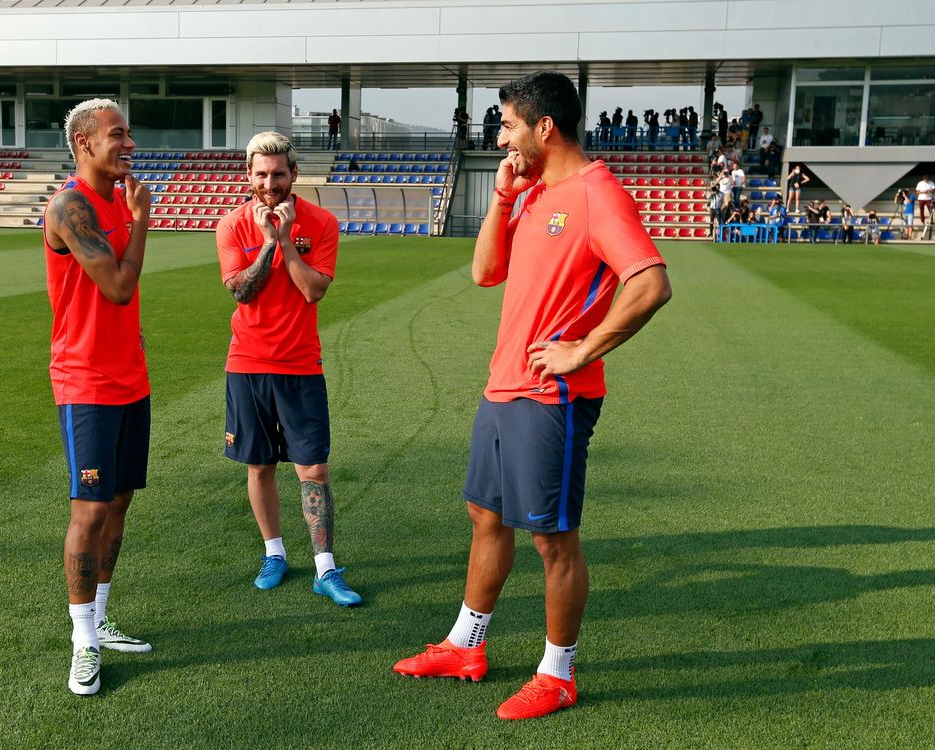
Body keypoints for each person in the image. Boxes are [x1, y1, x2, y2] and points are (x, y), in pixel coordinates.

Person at [392, 71, 671, 721]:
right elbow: (485, 271)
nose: (501, 136)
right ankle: (467, 645)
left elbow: (650, 282)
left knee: (553, 540)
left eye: (509, 124)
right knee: (485, 515)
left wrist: (580, 350)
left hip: (553, 398)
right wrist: (500, 198)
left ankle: (559, 672)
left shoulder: (597, 194)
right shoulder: (532, 192)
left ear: (545, 127)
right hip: (502, 387)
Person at [215, 131, 361, 609]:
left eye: (279, 174)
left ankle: (325, 568)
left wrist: (286, 244)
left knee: (313, 468)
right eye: (261, 174)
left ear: (294, 174)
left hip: (300, 363)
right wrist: (265, 244)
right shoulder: (233, 224)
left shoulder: (320, 222)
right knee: (259, 466)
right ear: (249, 176)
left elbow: (313, 291)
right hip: (248, 363)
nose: (270, 182)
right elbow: (241, 291)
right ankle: (274, 553)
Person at [42, 98, 154, 697]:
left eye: (129, 133)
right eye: (117, 134)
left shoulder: (115, 198)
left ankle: (101, 617)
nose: (128, 143)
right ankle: (82, 641)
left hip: (130, 378)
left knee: (118, 503)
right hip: (85, 382)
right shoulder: (70, 206)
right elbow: (115, 286)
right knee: (87, 511)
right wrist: (140, 222)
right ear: (84, 143)